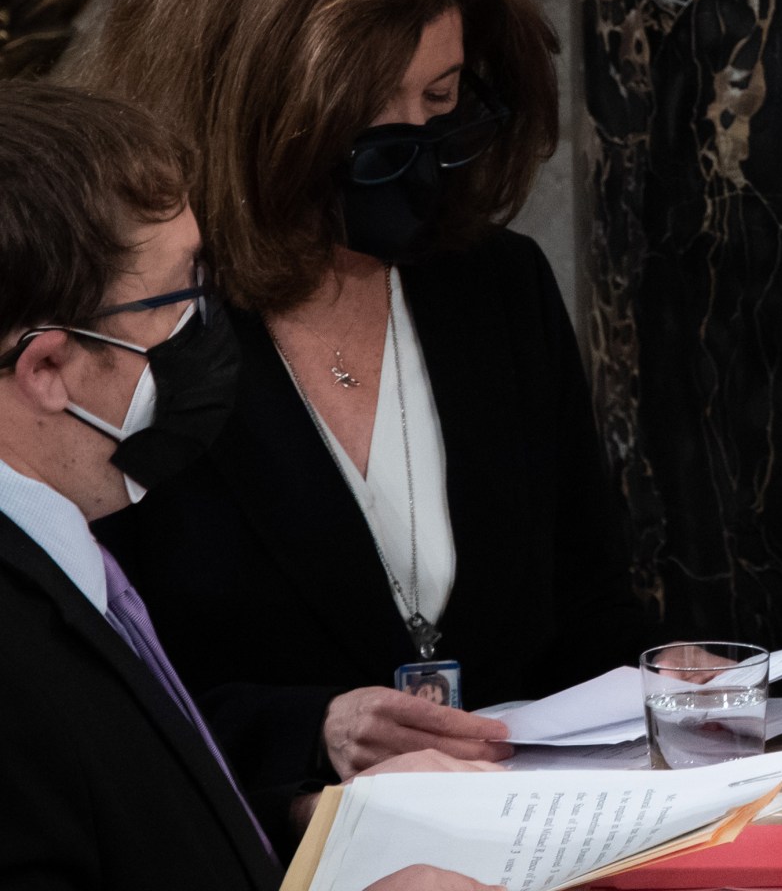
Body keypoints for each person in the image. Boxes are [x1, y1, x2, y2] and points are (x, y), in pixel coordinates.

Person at [70, 0, 658, 845]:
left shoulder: (495, 289)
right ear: (253, 111)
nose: (412, 154)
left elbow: (586, 618)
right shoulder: (117, 330)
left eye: (438, 103)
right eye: (363, 121)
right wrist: (313, 731)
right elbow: (82, 703)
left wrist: (659, 689)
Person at [0, 82, 498, 891]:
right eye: (179, 294)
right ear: (49, 366)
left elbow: (141, 829)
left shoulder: (64, 552)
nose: (210, 321)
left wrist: (325, 821)